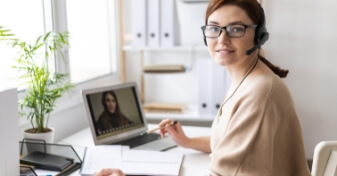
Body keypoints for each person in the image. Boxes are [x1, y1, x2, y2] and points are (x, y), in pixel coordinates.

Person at [95, 0, 311, 175]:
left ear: (259, 35)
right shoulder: (246, 78)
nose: (222, 39)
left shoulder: (259, 92)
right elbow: (230, 144)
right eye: (214, 28)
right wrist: (187, 141)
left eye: (236, 29)